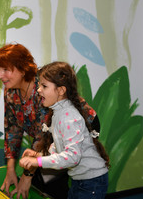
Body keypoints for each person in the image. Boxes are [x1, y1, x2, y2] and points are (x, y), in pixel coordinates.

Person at [0, 43, 97, 199]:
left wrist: (26, 177)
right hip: (52, 137)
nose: (0, 75)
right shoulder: (10, 91)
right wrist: (10, 169)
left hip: (81, 127)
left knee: (56, 178)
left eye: (6, 69)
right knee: (45, 178)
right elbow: (12, 130)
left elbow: (43, 134)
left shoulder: (41, 87)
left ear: (22, 68)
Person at [19, 61, 110, 199]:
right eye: (39, 85)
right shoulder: (59, 113)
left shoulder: (69, 117)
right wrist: (39, 155)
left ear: (61, 90)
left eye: (44, 86)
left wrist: (38, 162)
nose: (38, 90)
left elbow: (72, 157)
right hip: (80, 179)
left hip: (92, 181)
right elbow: (60, 145)